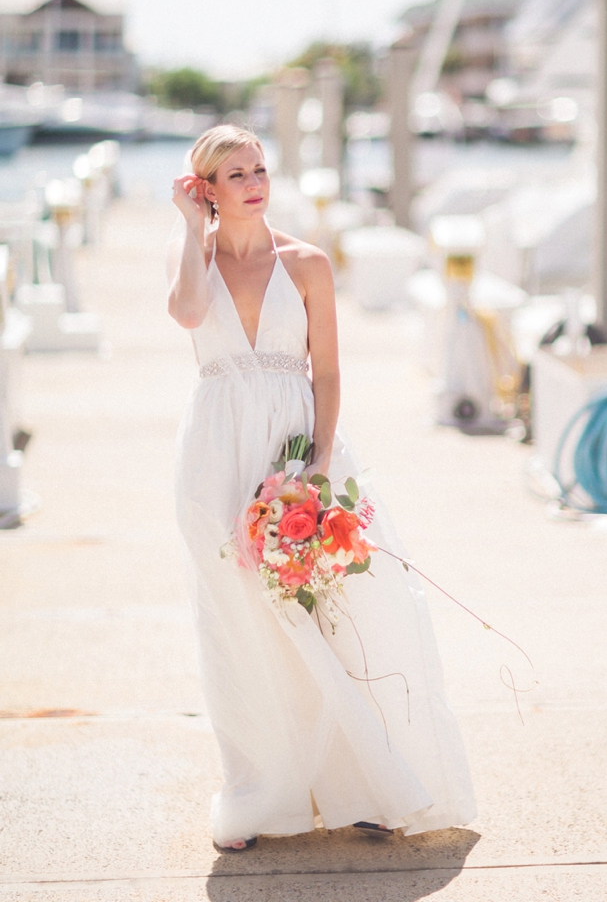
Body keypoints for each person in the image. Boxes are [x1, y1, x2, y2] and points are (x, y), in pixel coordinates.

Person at [169, 125, 475, 851]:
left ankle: (361, 783)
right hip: (214, 454)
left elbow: (328, 372)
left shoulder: (306, 264)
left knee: (334, 617)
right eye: (236, 173)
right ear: (207, 189)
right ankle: (258, 792)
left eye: (260, 169)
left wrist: (317, 466)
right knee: (236, 625)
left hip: (295, 446)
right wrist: (190, 229)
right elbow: (186, 314)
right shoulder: (196, 259)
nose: (254, 182)